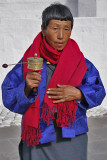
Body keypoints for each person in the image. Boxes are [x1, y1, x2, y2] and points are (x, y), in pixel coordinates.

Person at [2, 3, 106, 160]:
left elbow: (99, 91)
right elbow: (8, 95)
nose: (61, 36)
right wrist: (26, 88)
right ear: (43, 29)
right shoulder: (30, 61)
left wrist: (79, 93)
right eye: (55, 28)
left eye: (66, 29)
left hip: (73, 136)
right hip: (38, 135)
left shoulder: (80, 62)